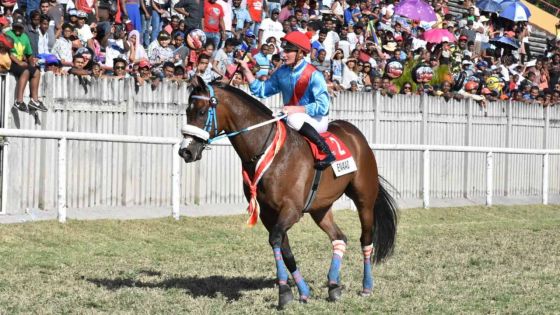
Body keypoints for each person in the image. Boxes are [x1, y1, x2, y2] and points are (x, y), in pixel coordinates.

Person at [237, 31, 335, 169]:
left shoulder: (314, 74)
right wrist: (246, 71)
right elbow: (262, 90)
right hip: (291, 116)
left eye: (288, 51)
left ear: (300, 53)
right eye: (284, 50)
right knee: (272, 119)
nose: (283, 54)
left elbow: (323, 107)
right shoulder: (282, 72)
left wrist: (296, 109)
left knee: (293, 119)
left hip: (316, 119)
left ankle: (325, 151)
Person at [6, 16, 47, 112]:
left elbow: (29, 55)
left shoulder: (25, 37)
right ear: (13, 26)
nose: (17, 29)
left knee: (36, 72)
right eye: (16, 27)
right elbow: (7, 52)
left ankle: (34, 100)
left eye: (20, 27)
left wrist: (32, 64)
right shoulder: (8, 34)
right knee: (26, 72)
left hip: (20, 63)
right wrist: (19, 62)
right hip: (9, 62)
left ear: (23, 27)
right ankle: (19, 101)